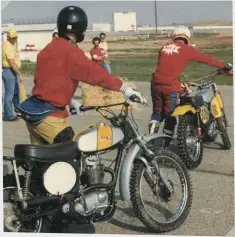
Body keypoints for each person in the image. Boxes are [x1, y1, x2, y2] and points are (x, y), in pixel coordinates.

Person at [18, 5, 146, 146]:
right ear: (80, 29)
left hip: (34, 116)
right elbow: (96, 74)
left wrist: (70, 100)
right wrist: (124, 89)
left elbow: (47, 81)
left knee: (45, 164)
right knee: (75, 153)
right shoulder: (72, 53)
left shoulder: (48, 49)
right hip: (50, 118)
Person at [148, 25, 233, 136]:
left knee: (157, 113)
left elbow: (166, 68)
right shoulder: (187, 50)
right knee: (170, 115)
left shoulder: (163, 48)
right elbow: (207, 59)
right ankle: (165, 144)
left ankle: (150, 137)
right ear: (187, 38)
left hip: (155, 84)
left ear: (174, 36)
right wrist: (225, 65)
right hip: (170, 87)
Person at [2, 28, 23, 121]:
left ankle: (18, 110)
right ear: (8, 37)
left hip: (12, 71)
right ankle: (8, 115)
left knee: (16, 91)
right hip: (8, 70)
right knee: (9, 94)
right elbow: (12, 62)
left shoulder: (12, 44)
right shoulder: (7, 46)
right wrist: (20, 74)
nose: (15, 39)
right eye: (13, 38)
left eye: (16, 37)